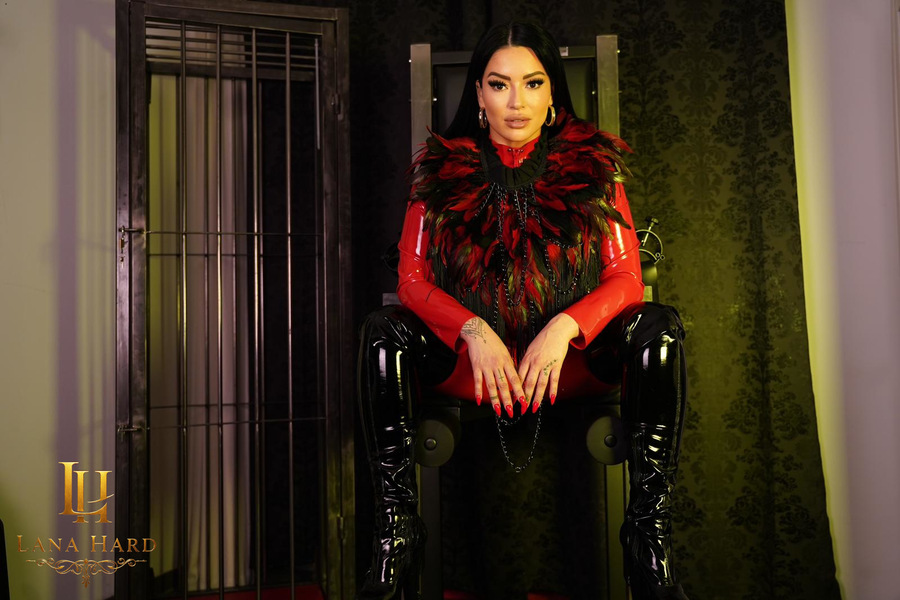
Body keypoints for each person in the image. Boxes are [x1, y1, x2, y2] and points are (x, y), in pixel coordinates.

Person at [357, 21, 689, 600]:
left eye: (532, 83)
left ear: (552, 92)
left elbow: (627, 279)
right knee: (383, 330)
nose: (516, 102)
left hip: (569, 365)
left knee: (658, 326)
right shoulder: (436, 174)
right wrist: (472, 329)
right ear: (478, 95)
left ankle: (648, 537)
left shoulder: (596, 169)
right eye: (499, 84)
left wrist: (565, 327)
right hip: (471, 367)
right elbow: (411, 281)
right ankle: (397, 534)